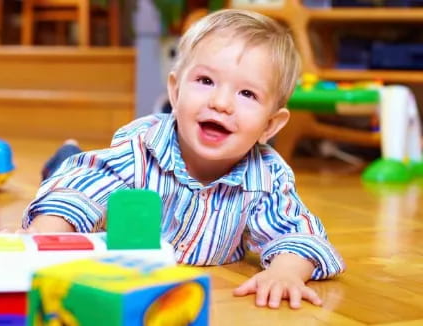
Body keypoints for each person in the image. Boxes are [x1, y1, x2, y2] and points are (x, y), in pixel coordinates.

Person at [23, 9, 345, 309]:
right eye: (205, 81)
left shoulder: (267, 176)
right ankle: (65, 157)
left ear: (270, 125)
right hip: (106, 231)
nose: (220, 103)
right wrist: (44, 234)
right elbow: (80, 192)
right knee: (66, 172)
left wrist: (286, 272)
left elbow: (298, 233)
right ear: (175, 94)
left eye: (247, 94)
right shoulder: (141, 147)